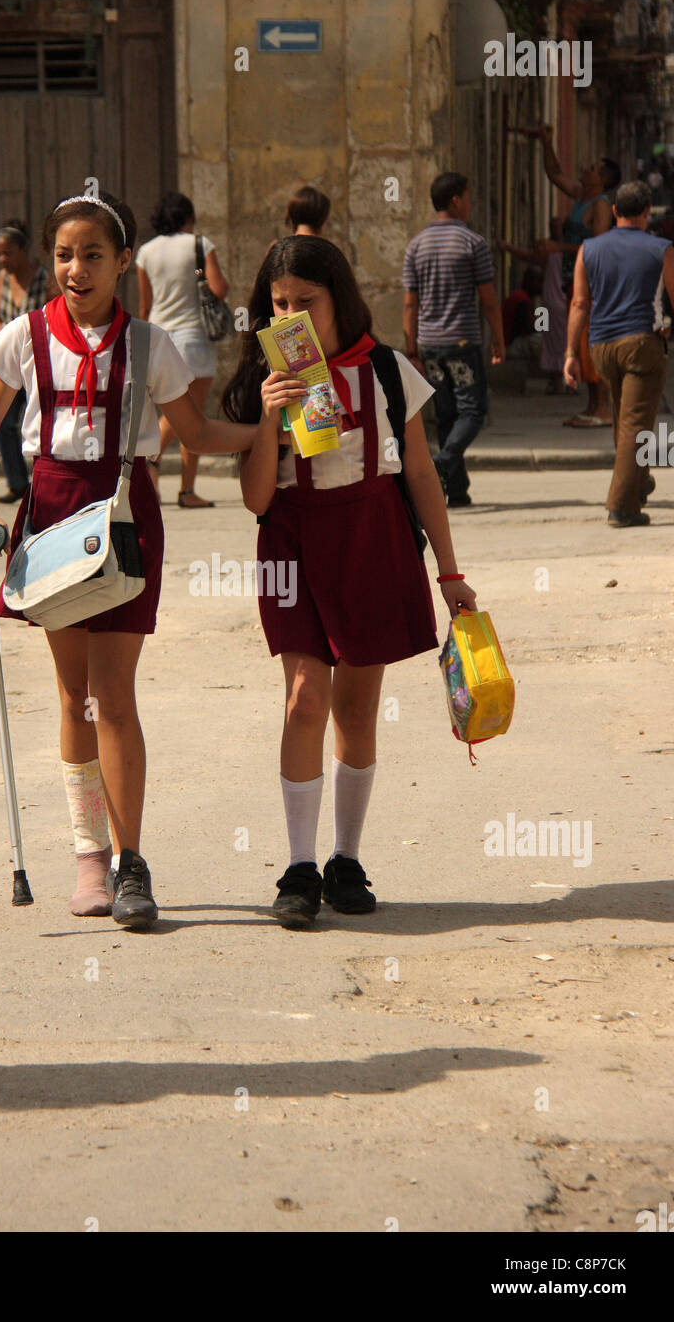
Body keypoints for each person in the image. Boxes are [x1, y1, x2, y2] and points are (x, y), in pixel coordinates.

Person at [0, 191, 257, 929]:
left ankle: (132, 863)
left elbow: (192, 432)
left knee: (114, 696)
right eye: (64, 254)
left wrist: (265, 429)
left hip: (126, 515)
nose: (75, 268)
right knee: (74, 699)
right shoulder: (26, 335)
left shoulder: (150, 345)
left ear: (125, 263)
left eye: (93, 255)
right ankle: (87, 856)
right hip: (54, 511)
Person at [221, 236, 477, 929]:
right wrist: (270, 416)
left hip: (371, 537)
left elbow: (421, 474)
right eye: (279, 305)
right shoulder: (260, 378)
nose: (292, 316)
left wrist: (449, 574)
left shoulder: (389, 371)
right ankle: (299, 867)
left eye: (307, 302)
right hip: (292, 542)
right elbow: (253, 500)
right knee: (305, 697)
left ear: (339, 300)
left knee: (357, 711)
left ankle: (345, 859)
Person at [565, 180, 674, 527]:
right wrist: (667, 322)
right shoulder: (661, 249)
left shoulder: (588, 248)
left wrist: (570, 352)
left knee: (623, 421)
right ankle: (622, 507)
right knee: (634, 425)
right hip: (641, 344)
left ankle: (639, 480)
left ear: (614, 212)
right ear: (647, 213)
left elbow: (580, 302)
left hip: (600, 346)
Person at [402, 171, 505, 508]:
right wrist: (499, 338)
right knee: (474, 411)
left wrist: (412, 349)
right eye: (469, 197)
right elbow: (488, 298)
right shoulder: (472, 243)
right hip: (462, 343)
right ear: (457, 200)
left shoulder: (415, 246)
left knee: (446, 415)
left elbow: (409, 303)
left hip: (430, 346)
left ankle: (457, 490)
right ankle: (443, 464)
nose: (470, 204)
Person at [136, 192, 230, 508]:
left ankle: (151, 467)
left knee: (171, 412)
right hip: (194, 339)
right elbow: (219, 289)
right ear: (188, 218)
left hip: (158, 338)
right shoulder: (199, 244)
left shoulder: (145, 253)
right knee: (193, 417)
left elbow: (145, 305)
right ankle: (185, 489)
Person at [529, 124, 621, 426]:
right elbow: (554, 175)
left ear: (602, 179)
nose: (586, 169)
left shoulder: (601, 206)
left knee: (592, 339)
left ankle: (603, 408)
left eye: (593, 168)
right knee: (582, 342)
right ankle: (593, 407)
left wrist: (558, 245)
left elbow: (594, 245)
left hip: (592, 280)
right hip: (575, 278)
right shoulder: (582, 195)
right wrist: (547, 143)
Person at [0, 220, 48, 502]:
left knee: (43, 423)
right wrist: (5, 332)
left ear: (24, 250)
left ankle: (44, 482)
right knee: (3, 422)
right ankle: (18, 483)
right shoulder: (3, 279)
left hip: (40, 365)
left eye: (8, 253)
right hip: (12, 364)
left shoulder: (45, 279)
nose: (3, 260)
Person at [498, 220, 568, 391]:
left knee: (556, 342)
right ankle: (559, 382)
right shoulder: (556, 252)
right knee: (556, 343)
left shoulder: (558, 252)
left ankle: (559, 382)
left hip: (557, 303)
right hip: (558, 303)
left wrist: (507, 247)